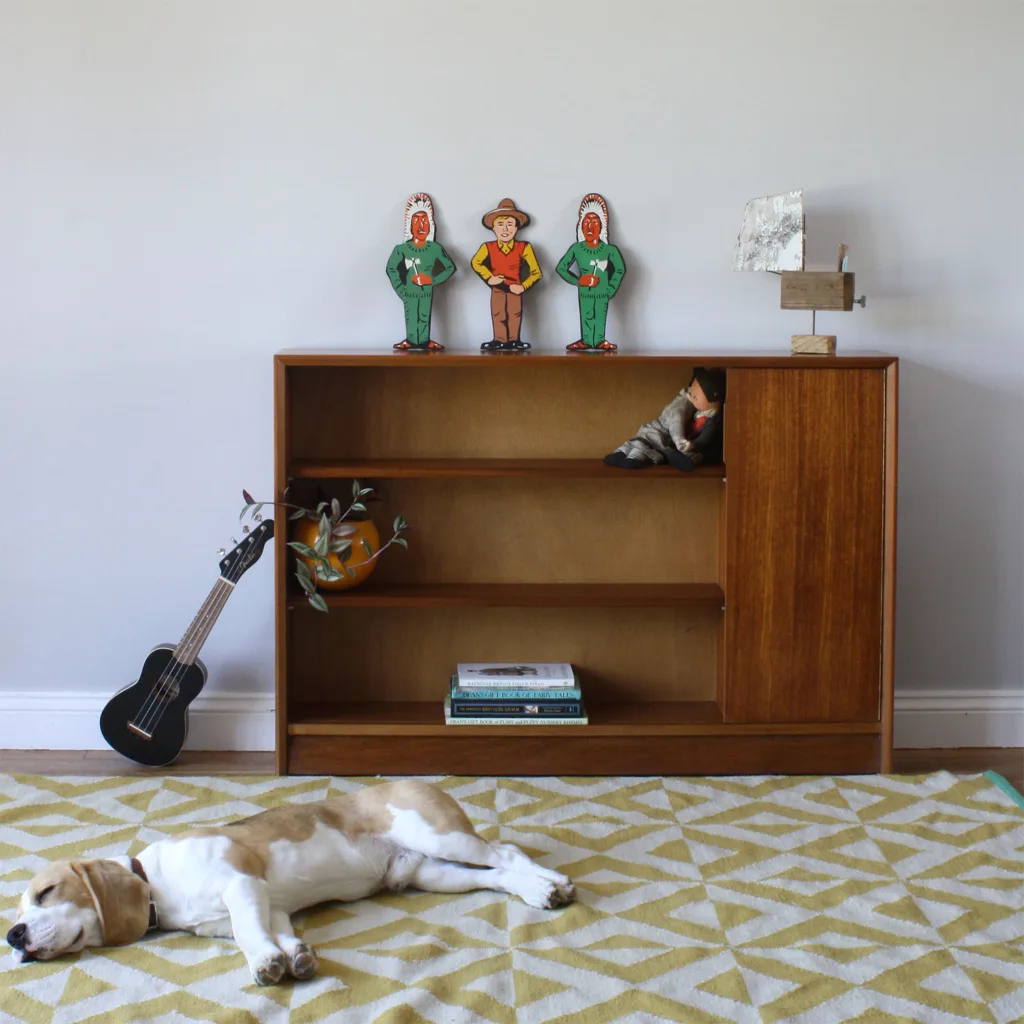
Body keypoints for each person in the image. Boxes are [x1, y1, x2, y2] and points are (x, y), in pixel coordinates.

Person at [604, 367, 726, 470]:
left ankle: (637, 456)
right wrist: (680, 442)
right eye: (693, 395)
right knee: (645, 441)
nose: (693, 396)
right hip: (665, 435)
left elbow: (704, 437)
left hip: (683, 443)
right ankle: (623, 453)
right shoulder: (683, 406)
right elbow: (676, 423)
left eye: (696, 395)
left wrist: (685, 444)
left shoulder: (709, 418)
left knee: (651, 447)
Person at [385, 193, 456, 351]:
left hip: (427, 290)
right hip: (409, 290)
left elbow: (450, 267)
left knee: (424, 315)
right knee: (411, 315)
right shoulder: (402, 249)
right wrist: (401, 289)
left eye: (424, 221)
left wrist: (431, 280)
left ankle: (423, 341)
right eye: (416, 221)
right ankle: (411, 340)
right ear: (410, 225)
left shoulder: (435, 248)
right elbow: (391, 268)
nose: (421, 226)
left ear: (431, 224)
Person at [556, 193, 626, 351]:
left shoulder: (609, 250)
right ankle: (586, 340)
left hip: (603, 292)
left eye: (595, 222)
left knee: (600, 315)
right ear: (580, 226)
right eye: (586, 222)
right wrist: (578, 281)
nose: (590, 226)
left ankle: (600, 340)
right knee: (586, 315)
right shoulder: (577, 248)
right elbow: (561, 268)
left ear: (602, 226)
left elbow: (620, 269)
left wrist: (610, 288)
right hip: (585, 292)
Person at [471, 199, 542, 351]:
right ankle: (500, 340)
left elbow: (536, 273)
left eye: (510, 224)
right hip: (497, 287)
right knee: (498, 313)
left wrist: (523, 286)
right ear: (494, 228)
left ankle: (514, 340)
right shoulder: (487, 247)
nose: (505, 229)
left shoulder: (524, 247)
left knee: (514, 313)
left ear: (516, 228)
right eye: (500, 225)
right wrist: (489, 277)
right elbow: (476, 263)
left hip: (515, 287)